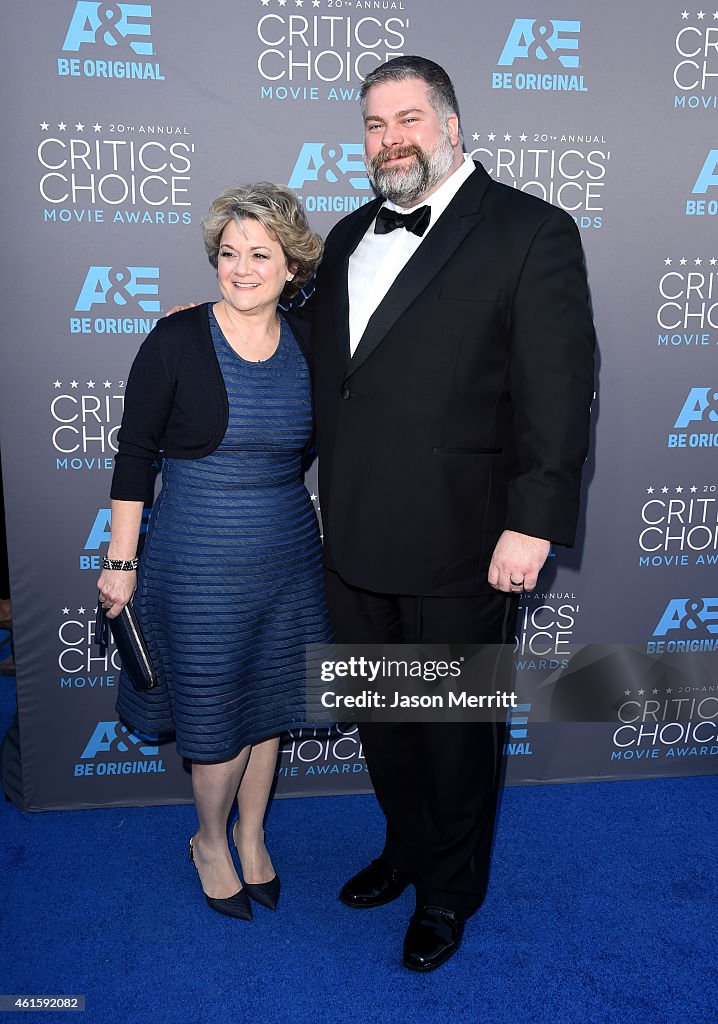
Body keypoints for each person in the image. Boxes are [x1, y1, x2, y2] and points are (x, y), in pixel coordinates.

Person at [296, 55, 596, 970]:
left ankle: (449, 891)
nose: (390, 140)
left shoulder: (530, 231)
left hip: (463, 538)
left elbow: (561, 389)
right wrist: (218, 324)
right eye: (374, 126)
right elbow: (313, 360)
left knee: (454, 730)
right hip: (350, 534)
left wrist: (534, 522)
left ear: (452, 125)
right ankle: (405, 846)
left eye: (408, 119)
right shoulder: (347, 235)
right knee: (385, 720)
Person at [97, 183, 330, 920]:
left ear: (292, 264)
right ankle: (208, 840)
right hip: (197, 556)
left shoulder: (311, 343)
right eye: (229, 253)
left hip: (287, 554)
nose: (242, 267)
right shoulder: (176, 338)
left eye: (261, 254)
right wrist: (121, 560)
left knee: (269, 711)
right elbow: (135, 455)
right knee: (216, 718)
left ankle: (254, 836)